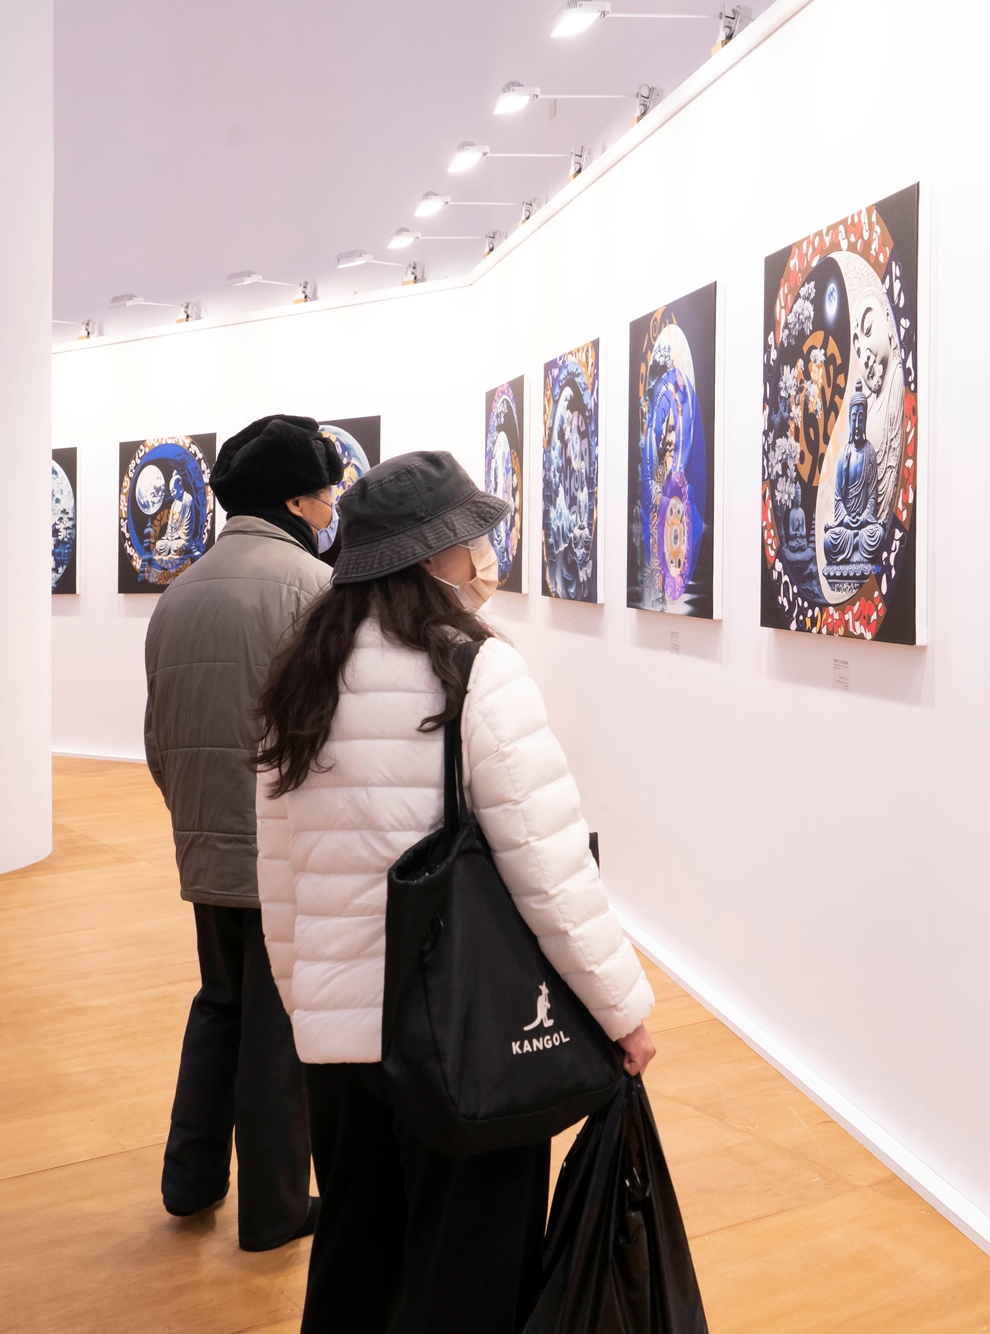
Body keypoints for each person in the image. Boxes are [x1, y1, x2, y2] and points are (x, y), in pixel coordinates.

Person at [253, 450, 657, 1333]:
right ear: (434, 555)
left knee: (356, 1260)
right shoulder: (474, 669)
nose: (484, 555)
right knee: (469, 1276)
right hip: (460, 1035)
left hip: (339, 1046)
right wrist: (623, 1012)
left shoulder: (300, 676)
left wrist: (306, 1006)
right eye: (473, 538)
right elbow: (548, 866)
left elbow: (278, 878)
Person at [143, 413, 342, 1249]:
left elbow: (157, 738)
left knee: (220, 1003)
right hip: (285, 847)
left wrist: (197, 817)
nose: (332, 508)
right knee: (279, 1026)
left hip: (206, 840)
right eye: (327, 493)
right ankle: (274, 1211)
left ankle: (189, 1182)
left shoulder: (179, 591)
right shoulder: (314, 589)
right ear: (295, 500)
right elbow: (333, 735)